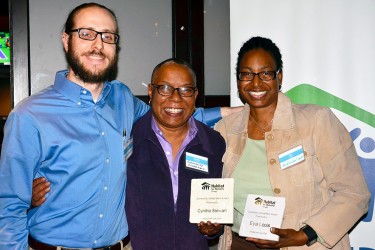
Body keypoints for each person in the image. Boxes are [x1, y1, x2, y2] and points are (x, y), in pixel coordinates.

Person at [0, 3, 230, 250]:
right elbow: (9, 206)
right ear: (66, 40)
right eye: (86, 33)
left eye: (107, 36)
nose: (98, 45)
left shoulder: (123, 99)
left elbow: (172, 114)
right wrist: (28, 200)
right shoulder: (30, 115)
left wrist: (238, 112)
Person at [215, 36, 371, 249]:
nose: (256, 82)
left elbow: (355, 193)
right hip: (239, 244)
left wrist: (305, 234)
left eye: (266, 73)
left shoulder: (316, 121)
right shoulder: (225, 130)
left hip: (302, 244)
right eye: (247, 74)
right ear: (238, 80)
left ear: (279, 76)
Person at [125, 58, 225, 249]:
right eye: (165, 88)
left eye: (185, 90)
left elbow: (217, 205)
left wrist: (214, 228)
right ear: (150, 92)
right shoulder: (130, 138)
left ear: (195, 95)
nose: (175, 98)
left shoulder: (213, 142)